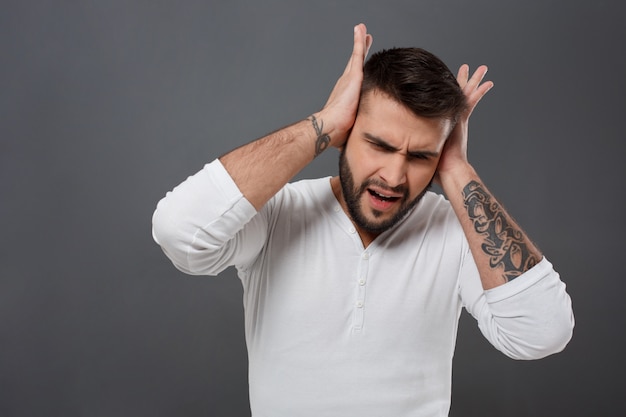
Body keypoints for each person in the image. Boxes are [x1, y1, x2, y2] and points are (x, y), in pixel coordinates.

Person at [152, 24, 574, 417]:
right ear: (348, 131)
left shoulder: (454, 232)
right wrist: (325, 121)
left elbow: (542, 334)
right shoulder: (281, 212)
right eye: (379, 144)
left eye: (420, 156)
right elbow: (180, 234)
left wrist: (457, 170)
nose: (393, 177)